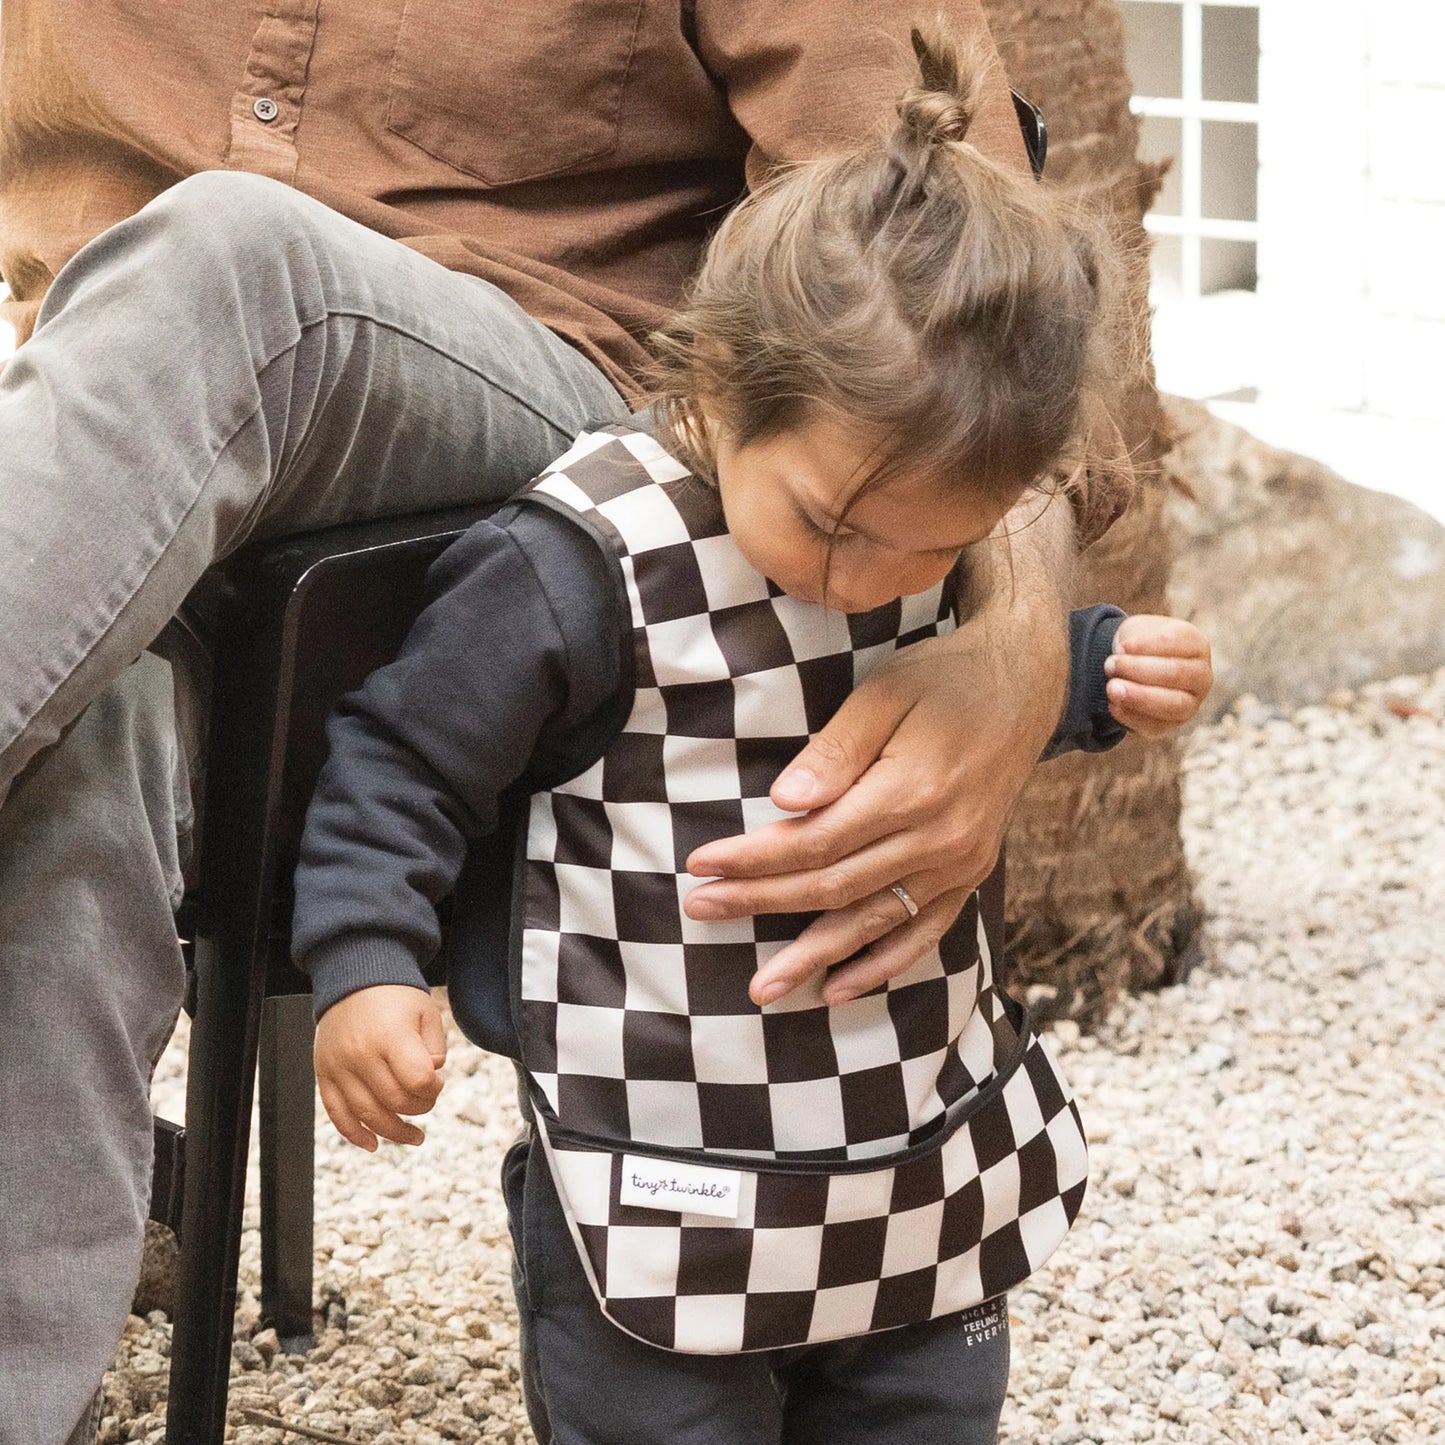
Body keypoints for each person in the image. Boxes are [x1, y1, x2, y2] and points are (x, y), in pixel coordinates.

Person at [0, 4, 1169, 1441]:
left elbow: (967, 283)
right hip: (98, 443)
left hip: (556, 432)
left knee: (231, 262)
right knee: (85, 734)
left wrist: (1014, 649)